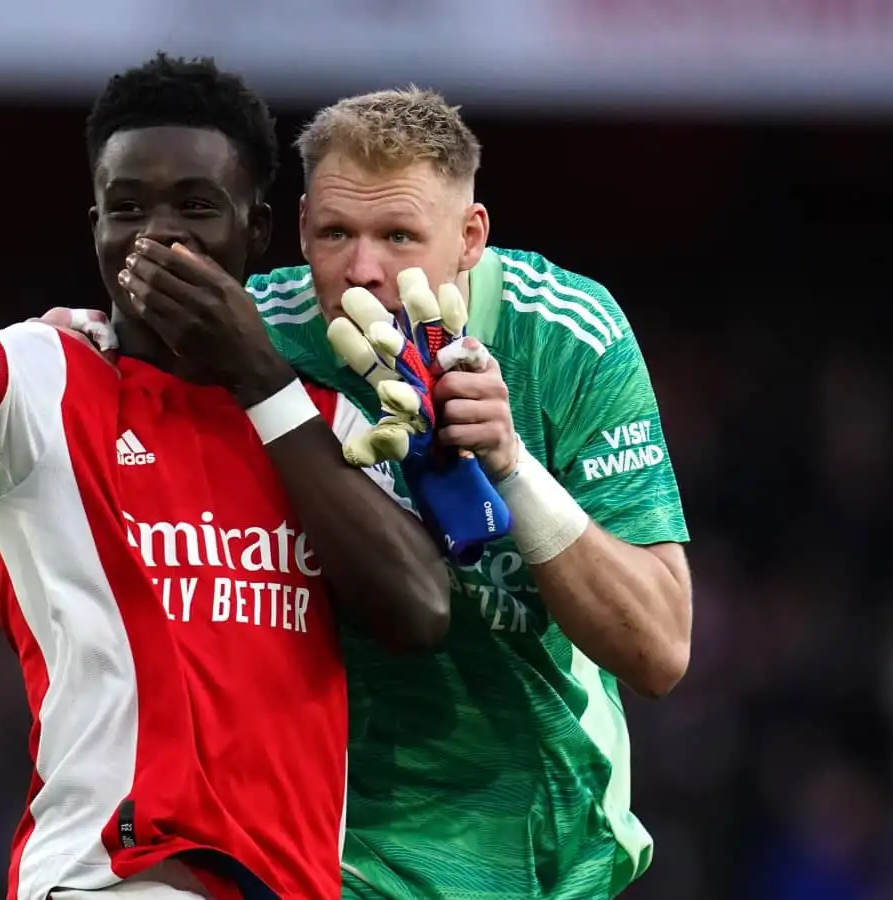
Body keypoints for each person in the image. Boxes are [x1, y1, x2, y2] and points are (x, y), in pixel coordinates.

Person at [0, 55, 451, 900]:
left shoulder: (329, 424)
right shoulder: (45, 378)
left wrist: (258, 377)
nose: (158, 234)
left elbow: (420, 612)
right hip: (110, 877)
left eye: (196, 206)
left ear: (255, 230)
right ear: (96, 224)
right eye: (128, 207)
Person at [245, 87, 695, 899]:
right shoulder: (255, 333)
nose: (363, 270)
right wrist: (65, 354)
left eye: (400, 237)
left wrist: (512, 461)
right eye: (336, 234)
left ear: (471, 238)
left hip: (537, 846)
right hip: (322, 846)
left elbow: (659, 648)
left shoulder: (564, 335)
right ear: (302, 222)